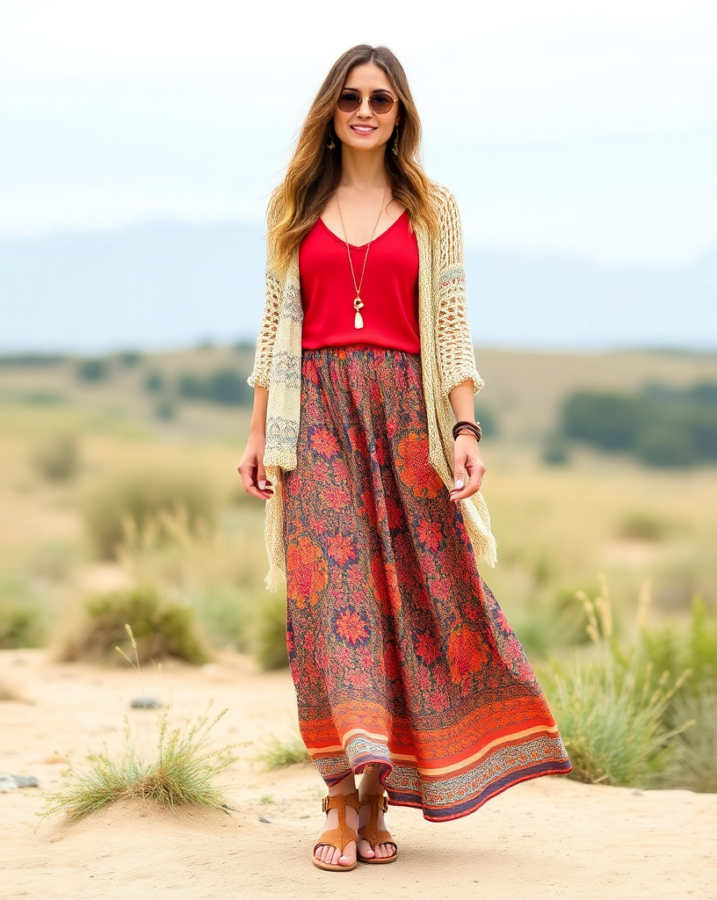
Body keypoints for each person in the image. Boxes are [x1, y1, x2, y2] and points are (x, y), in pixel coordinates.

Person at [238, 44, 572, 873]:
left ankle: (382, 785)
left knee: (416, 588)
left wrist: (464, 430)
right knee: (335, 591)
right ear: (330, 108)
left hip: (404, 415)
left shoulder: (432, 206)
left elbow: (451, 325)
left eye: (380, 99)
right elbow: (273, 327)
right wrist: (256, 433)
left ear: (400, 113)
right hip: (315, 412)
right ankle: (343, 796)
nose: (363, 110)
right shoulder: (292, 203)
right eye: (350, 97)